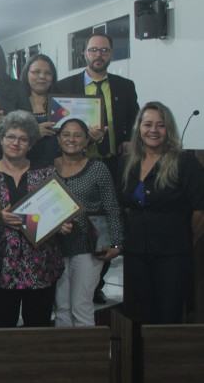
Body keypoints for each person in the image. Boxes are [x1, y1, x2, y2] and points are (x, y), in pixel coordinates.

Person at [57, 32, 139, 304]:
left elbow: (133, 120)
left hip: (112, 164)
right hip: (75, 164)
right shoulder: (66, 85)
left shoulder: (125, 86)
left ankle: (97, 279)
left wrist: (128, 140)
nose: (98, 55)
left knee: (106, 217)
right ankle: (70, 279)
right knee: (73, 217)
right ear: (85, 54)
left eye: (104, 50)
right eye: (93, 50)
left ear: (111, 54)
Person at [118, 101, 204, 324]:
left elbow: (200, 210)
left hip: (173, 255)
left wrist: (185, 239)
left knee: (168, 316)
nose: (153, 130)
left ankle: (165, 360)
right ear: (139, 129)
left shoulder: (185, 163)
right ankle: (142, 360)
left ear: (169, 130)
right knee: (142, 315)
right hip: (136, 253)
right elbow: (127, 206)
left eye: (160, 125)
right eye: (147, 124)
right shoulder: (127, 163)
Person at [0, 110, 68, 328]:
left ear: (31, 144)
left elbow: (59, 211)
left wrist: (63, 223)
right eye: (11, 137)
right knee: (2, 327)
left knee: (39, 327)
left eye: (23, 139)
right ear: (1, 138)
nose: (16, 143)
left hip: (41, 265)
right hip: (2, 266)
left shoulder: (46, 174)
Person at [52, 119, 123, 327]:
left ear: (86, 141)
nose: (71, 139)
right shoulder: (48, 169)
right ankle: (65, 357)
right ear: (58, 138)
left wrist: (117, 244)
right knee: (61, 307)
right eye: (66, 134)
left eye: (78, 135)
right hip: (55, 246)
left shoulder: (98, 168)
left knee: (81, 305)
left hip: (90, 245)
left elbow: (111, 207)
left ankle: (89, 358)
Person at [19, 54, 62, 166]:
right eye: (36, 72)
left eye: (47, 73)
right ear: (27, 73)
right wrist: (34, 135)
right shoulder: (16, 103)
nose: (42, 76)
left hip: (59, 167)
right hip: (24, 168)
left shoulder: (62, 103)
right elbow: (8, 141)